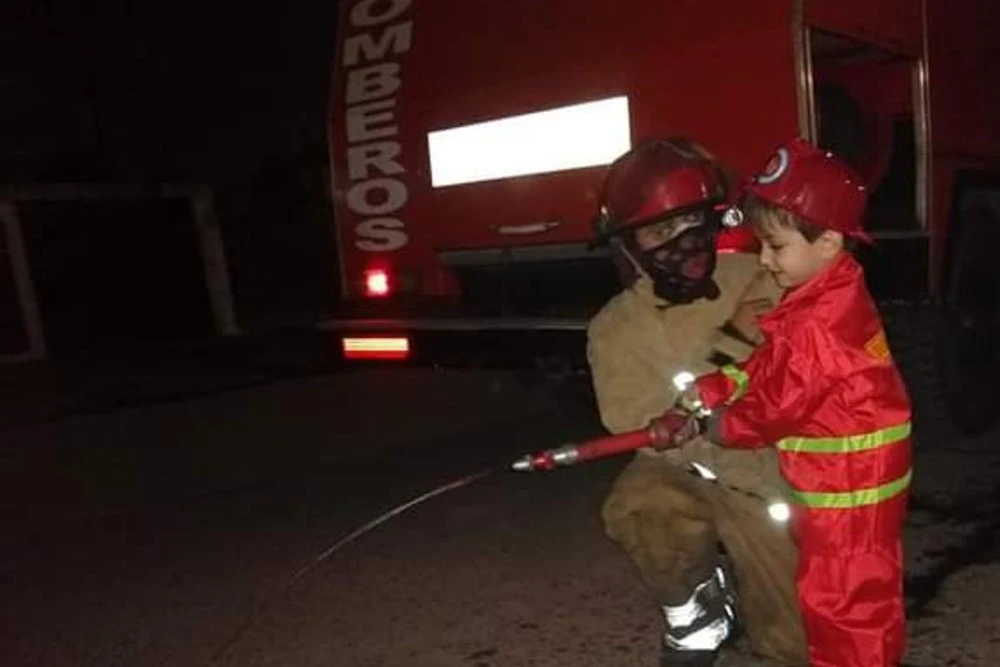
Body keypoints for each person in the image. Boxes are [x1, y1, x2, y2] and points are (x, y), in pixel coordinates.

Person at [667, 138, 913, 667]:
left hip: (848, 488)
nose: (764, 259)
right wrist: (717, 384)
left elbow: (778, 405)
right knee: (854, 592)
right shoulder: (825, 297)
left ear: (828, 241)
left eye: (776, 247)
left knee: (843, 601)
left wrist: (721, 425)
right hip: (848, 484)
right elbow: (773, 364)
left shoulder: (820, 322)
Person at [587, 138, 808, 667]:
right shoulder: (614, 328)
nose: (683, 242)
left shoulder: (760, 280)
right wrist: (730, 349)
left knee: (795, 646)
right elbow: (636, 422)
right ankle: (698, 614)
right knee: (640, 504)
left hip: (767, 476)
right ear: (629, 246)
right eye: (660, 231)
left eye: (692, 222)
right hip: (685, 470)